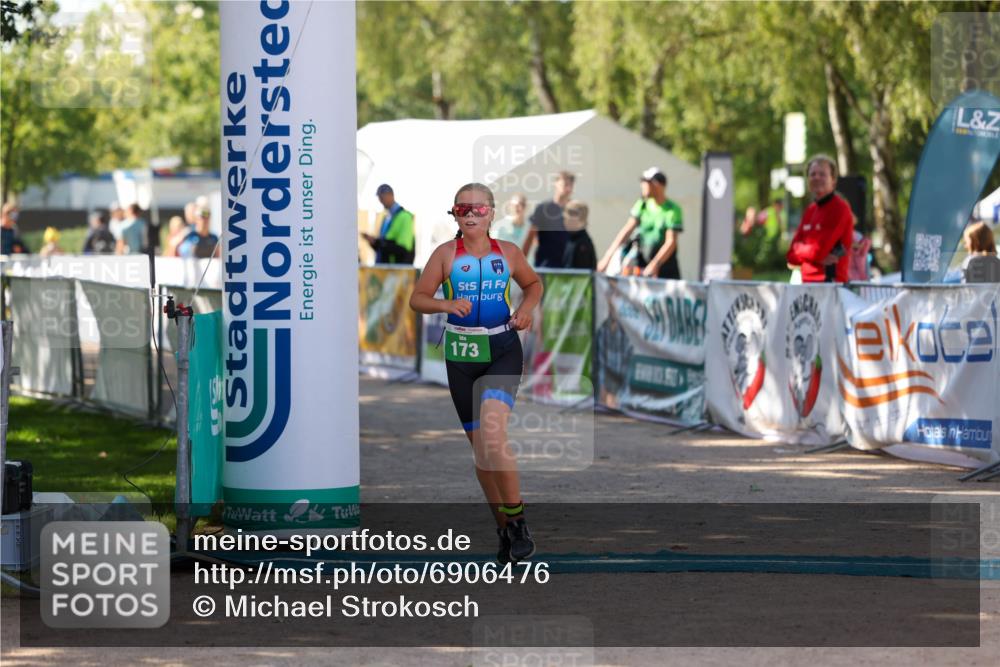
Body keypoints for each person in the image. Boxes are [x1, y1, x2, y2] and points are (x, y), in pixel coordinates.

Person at [409, 182, 543, 564]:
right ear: (454, 213)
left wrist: (527, 307)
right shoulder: (446, 254)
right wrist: (446, 304)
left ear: (492, 213)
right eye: (463, 208)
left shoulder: (510, 253)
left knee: (494, 433)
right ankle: (504, 529)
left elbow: (533, 284)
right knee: (483, 453)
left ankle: (518, 522)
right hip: (461, 356)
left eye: (478, 209)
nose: (470, 214)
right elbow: (417, 298)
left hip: (501, 349)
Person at [598, 167, 683, 279]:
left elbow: (671, 242)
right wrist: (607, 257)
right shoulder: (642, 204)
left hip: (665, 267)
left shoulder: (672, 209)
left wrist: (655, 264)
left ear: (657, 184)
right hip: (642, 263)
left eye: (646, 183)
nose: (642, 186)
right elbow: (627, 230)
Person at [786, 155, 854, 283]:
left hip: (830, 286)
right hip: (807, 285)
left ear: (833, 180)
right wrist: (815, 256)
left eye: (822, 174)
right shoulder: (810, 210)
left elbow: (819, 250)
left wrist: (800, 250)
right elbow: (790, 255)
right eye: (813, 174)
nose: (816, 178)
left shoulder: (839, 208)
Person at [522, 171, 573, 268]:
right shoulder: (542, 208)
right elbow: (530, 236)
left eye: (570, 185)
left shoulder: (574, 209)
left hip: (568, 268)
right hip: (546, 266)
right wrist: (520, 263)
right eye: (565, 184)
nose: (568, 188)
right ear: (556, 184)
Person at [362, 184, 415, 264]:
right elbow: (383, 247)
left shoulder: (405, 217)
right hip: (385, 269)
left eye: (382, 197)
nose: (380, 201)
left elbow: (404, 249)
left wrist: (380, 243)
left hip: (395, 271)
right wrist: (375, 242)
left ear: (390, 195)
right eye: (379, 198)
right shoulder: (387, 217)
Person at [561, 200, 597, 270]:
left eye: (566, 218)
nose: (564, 221)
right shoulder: (572, 239)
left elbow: (579, 274)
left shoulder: (582, 244)